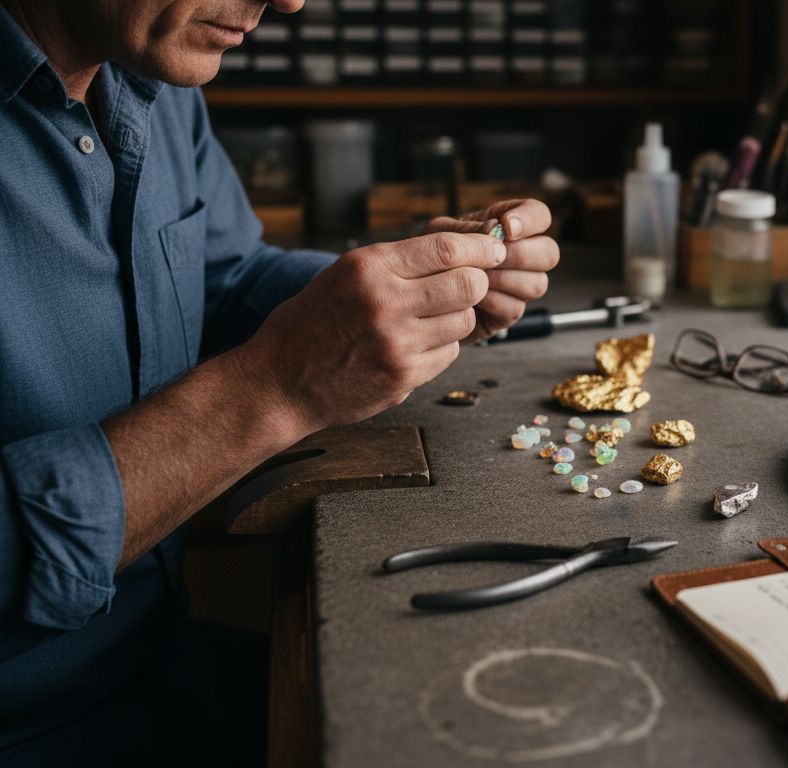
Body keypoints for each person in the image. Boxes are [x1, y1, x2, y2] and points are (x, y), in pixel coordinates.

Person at [0, 0, 561, 763]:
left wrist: (412, 294)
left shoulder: (147, 80)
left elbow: (223, 279)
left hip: (158, 668)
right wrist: (274, 390)